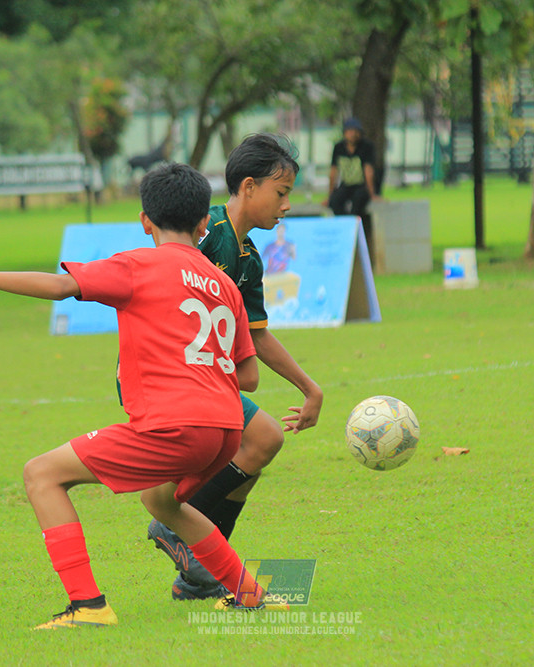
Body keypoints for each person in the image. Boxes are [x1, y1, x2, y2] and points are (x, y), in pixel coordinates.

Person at [0, 162, 273, 629]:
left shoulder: (137, 265)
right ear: (204, 224)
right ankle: (248, 593)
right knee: (163, 503)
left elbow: (60, 286)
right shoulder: (223, 284)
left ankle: (88, 606)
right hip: (225, 431)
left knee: (41, 474)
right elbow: (249, 375)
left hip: (177, 426)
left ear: (145, 221)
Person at [145, 133, 324, 601]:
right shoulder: (207, 238)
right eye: (281, 193)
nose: (286, 205)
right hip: (172, 378)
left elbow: (258, 334)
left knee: (256, 453)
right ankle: (174, 526)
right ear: (248, 187)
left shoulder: (248, 258)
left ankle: (194, 574)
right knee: (263, 438)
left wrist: (310, 388)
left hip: (202, 378)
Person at [323, 117, 380, 218]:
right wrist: (330, 196)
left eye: (355, 131)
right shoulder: (339, 148)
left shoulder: (366, 147)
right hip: (346, 184)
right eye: (349, 131)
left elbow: (368, 171)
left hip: (361, 186)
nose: (352, 135)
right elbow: (333, 172)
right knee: (335, 201)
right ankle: (344, 223)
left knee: (358, 202)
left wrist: (372, 194)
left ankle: (354, 224)